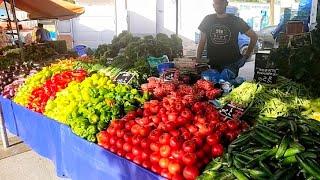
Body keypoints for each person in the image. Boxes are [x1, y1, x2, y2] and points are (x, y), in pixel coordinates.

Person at [197, 0, 258, 76]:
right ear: (213, 5)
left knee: (229, 87)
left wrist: (246, 56)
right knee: (213, 87)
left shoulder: (236, 20)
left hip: (232, 64)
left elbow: (254, 36)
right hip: (213, 64)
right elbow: (202, 41)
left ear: (226, 4)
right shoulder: (207, 20)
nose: (219, 5)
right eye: (217, 3)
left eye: (221, 3)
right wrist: (198, 59)